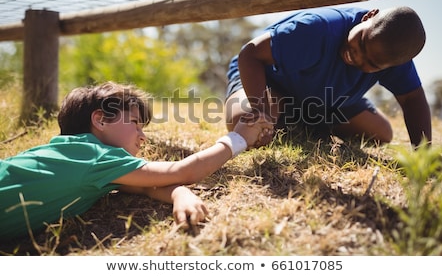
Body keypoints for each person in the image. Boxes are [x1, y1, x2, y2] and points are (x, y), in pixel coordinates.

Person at [0, 81, 273, 241]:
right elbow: (182, 169)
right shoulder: (95, 155)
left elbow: (143, 185)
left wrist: (179, 192)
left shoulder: (77, 157)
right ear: (101, 119)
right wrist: (238, 139)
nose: (143, 138)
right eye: (135, 124)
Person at [225, 6, 431, 147]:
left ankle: (305, 122)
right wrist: (262, 112)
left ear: (391, 66)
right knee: (243, 124)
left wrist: (424, 154)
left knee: (381, 133)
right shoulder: (316, 29)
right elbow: (250, 54)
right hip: (272, 82)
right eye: (361, 42)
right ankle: (290, 117)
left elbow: (413, 99)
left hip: (328, 98)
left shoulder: (393, 56)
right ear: (369, 16)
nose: (356, 57)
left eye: (371, 64)